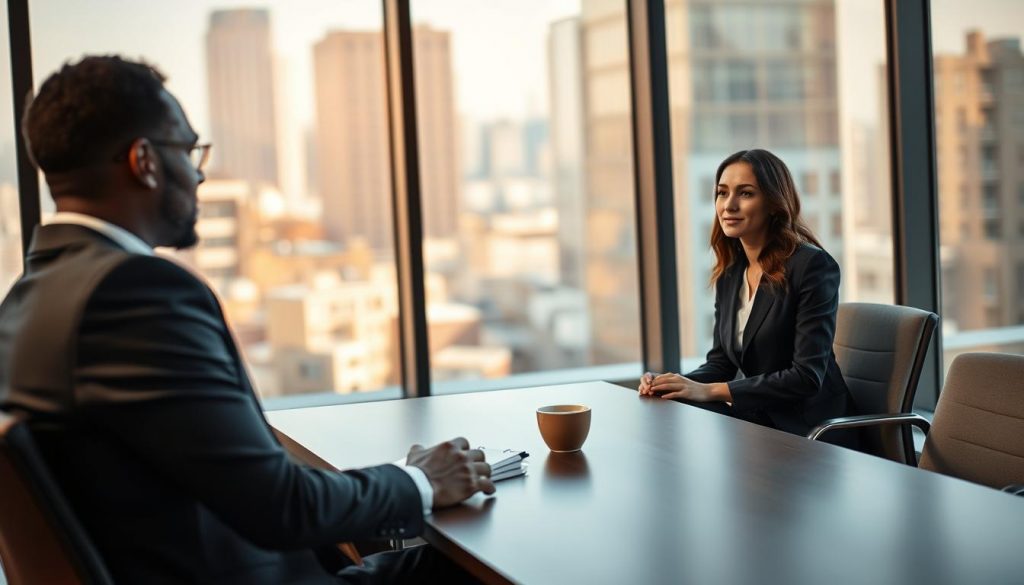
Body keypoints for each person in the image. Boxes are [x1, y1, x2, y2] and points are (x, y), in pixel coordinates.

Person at [0, 55, 493, 584]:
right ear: (144, 162)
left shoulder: (24, 303)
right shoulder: (135, 294)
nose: (199, 173)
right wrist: (417, 480)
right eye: (188, 151)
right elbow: (282, 507)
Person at [638, 149, 855, 442]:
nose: (729, 205)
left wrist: (711, 391)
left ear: (774, 204)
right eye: (722, 193)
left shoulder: (812, 267)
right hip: (757, 424)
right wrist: (673, 383)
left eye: (746, 194)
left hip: (809, 431)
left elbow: (806, 378)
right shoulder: (731, 273)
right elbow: (721, 364)